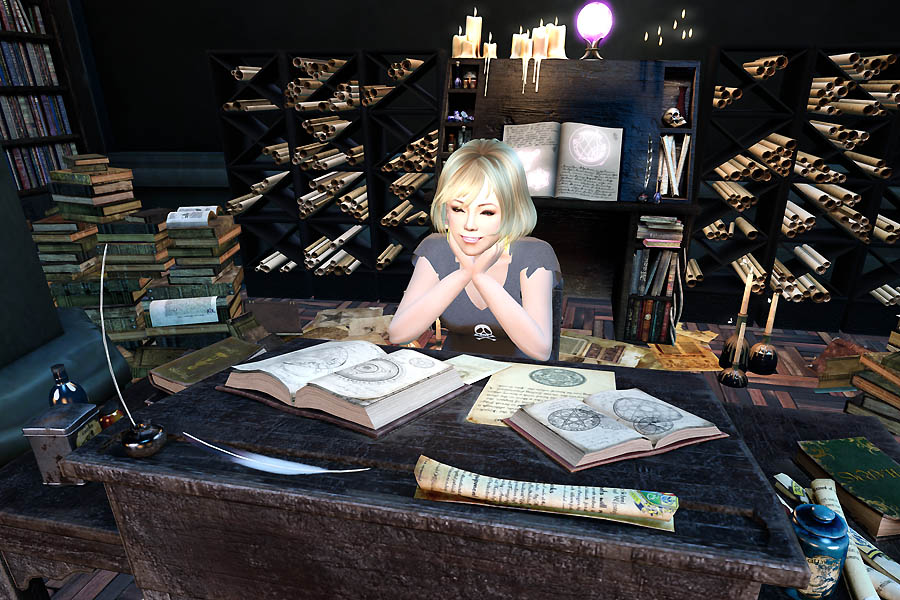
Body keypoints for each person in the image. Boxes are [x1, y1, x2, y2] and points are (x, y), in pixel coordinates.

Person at [388, 138, 561, 360]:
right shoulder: (435, 249)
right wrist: (463, 274)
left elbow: (540, 350)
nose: (469, 224)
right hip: (454, 367)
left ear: (512, 211)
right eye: (458, 209)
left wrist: (480, 277)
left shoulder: (534, 255)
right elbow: (399, 333)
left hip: (517, 372)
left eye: (487, 212)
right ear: (445, 209)